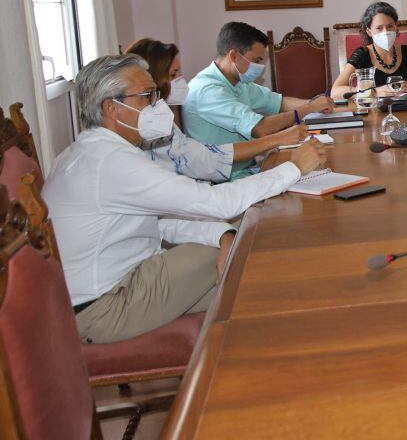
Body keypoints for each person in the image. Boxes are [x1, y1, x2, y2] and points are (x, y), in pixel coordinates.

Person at [44, 55, 326, 344]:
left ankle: (271, 354)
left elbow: (161, 222)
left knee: (250, 284)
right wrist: (293, 168)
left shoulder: (90, 152)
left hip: (111, 294)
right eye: (147, 96)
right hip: (106, 307)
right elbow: (215, 204)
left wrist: (221, 235)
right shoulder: (110, 161)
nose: (158, 104)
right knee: (252, 234)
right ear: (111, 108)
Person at [125, 37, 307, 182]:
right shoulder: (207, 90)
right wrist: (278, 139)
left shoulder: (162, 122)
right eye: (173, 75)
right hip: (220, 182)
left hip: (226, 177)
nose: (181, 79)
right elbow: (211, 159)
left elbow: (277, 102)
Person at [183, 22, 333, 179]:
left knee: (319, 169)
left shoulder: (237, 81)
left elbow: (279, 102)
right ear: (233, 56)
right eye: (256, 60)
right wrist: (308, 108)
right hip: (223, 181)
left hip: (247, 169)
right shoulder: (208, 90)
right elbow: (261, 128)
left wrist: (318, 103)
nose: (260, 66)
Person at [330, 2, 407, 100]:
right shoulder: (362, 54)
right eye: (379, 28)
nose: (386, 32)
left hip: (406, 111)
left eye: (390, 26)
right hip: (373, 113)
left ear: (396, 26)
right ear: (369, 31)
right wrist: (373, 92)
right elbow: (335, 92)